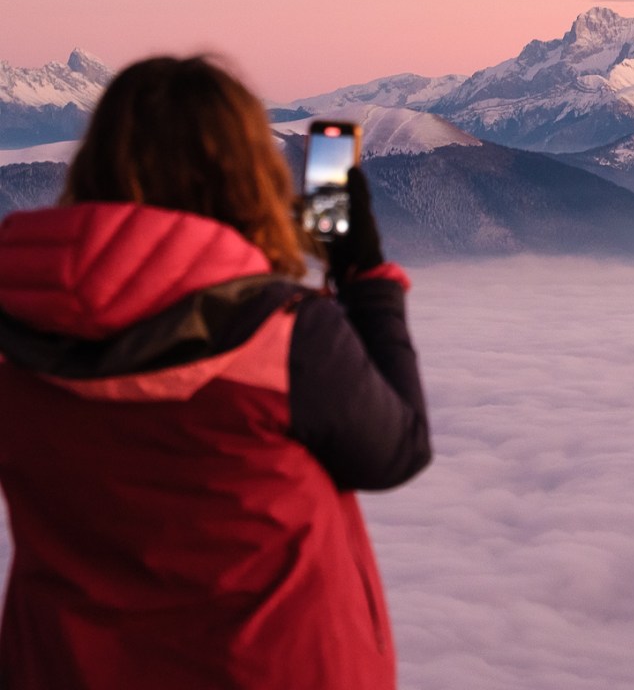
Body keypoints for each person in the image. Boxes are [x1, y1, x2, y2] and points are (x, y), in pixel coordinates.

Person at [0, 55, 431, 689]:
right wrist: (365, 275)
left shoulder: (15, 328)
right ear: (247, 176)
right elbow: (396, 450)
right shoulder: (282, 337)